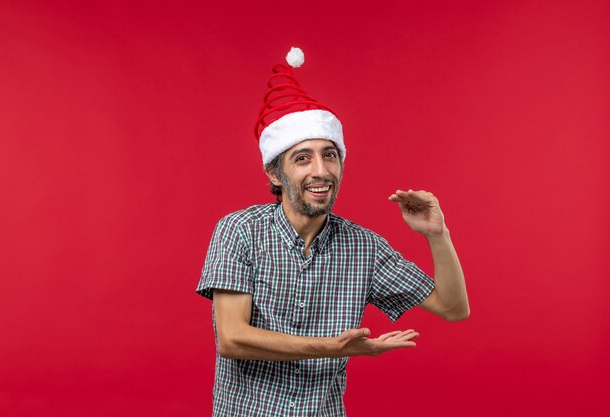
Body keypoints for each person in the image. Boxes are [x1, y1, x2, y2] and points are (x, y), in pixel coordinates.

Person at [196, 47, 469, 417]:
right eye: (303, 158)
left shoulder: (363, 248)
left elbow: (453, 309)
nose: (321, 170)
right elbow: (232, 338)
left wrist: (438, 234)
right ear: (275, 175)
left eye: (330, 154)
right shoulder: (240, 231)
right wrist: (332, 348)